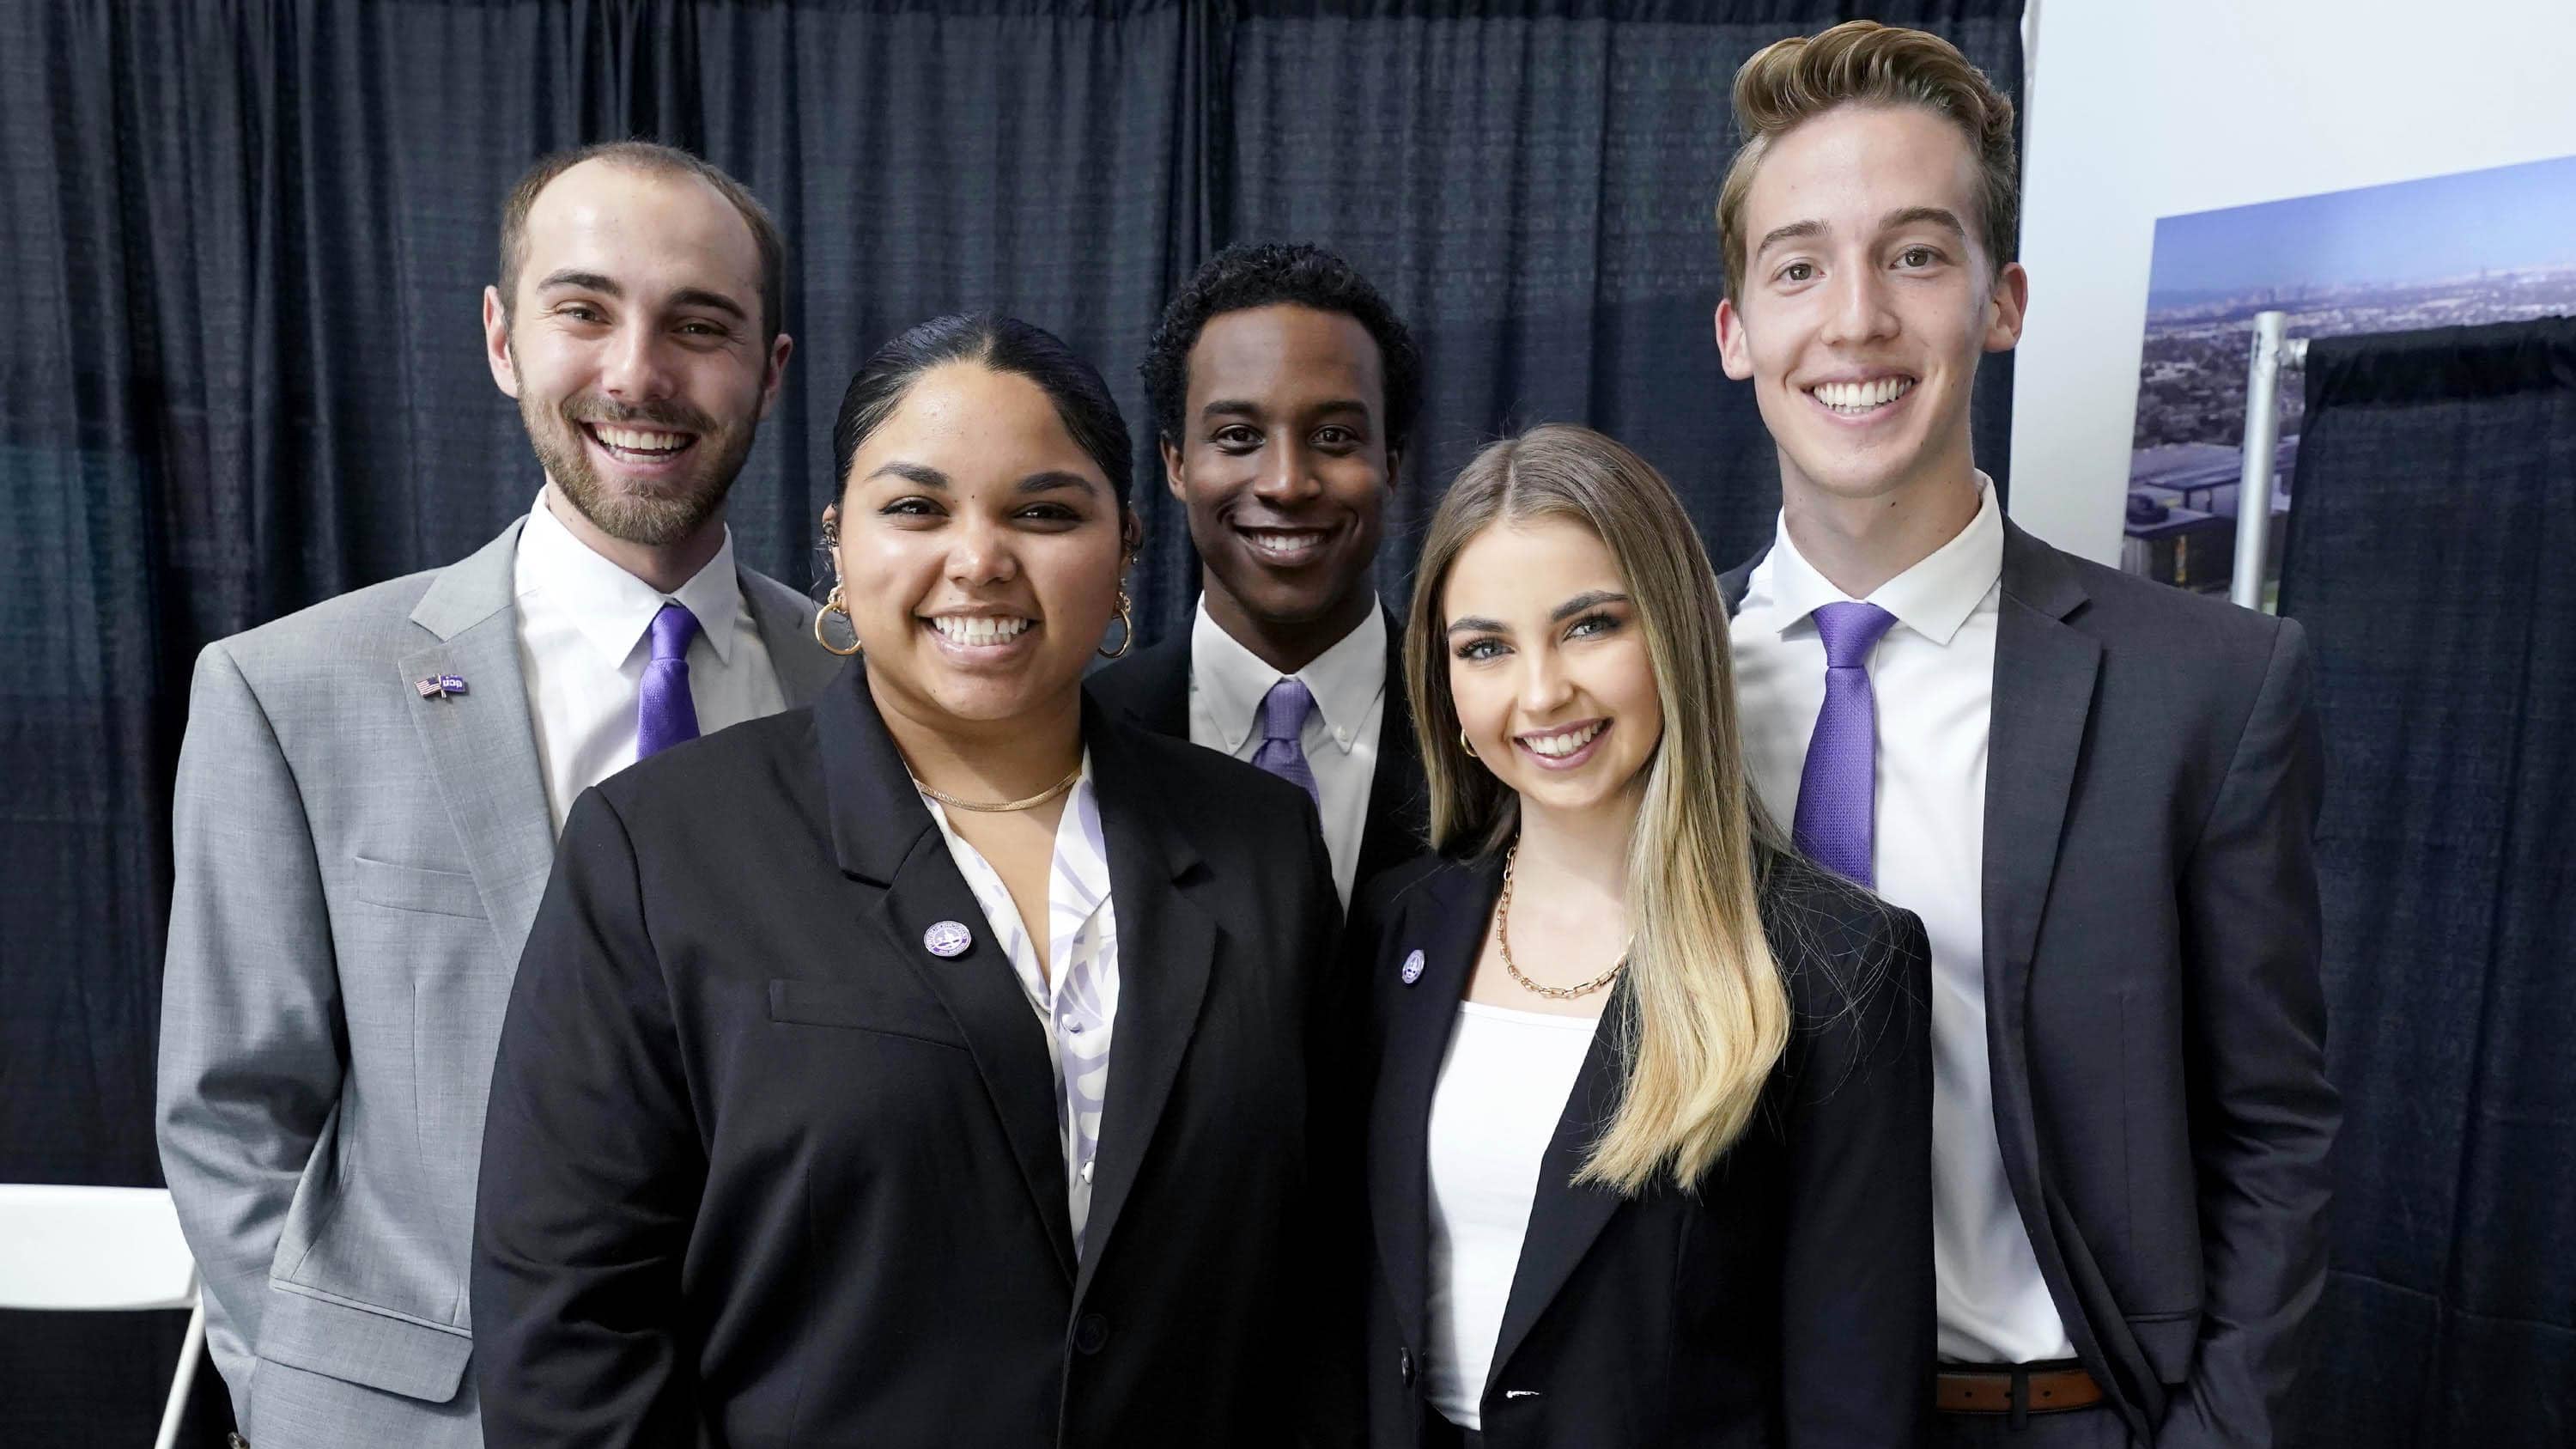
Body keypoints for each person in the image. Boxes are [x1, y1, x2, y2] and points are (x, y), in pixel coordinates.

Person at [471, 314, 1355, 1446]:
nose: (979, 557)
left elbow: (1323, 1274)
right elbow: (566, 1325)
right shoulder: (660, 848)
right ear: (839, 541)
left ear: (1126, 544)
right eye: (918, 507)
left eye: (1044, 511)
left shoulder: (1259, 845)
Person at [1709, 23, 2336, 1447]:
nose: (1856, 318)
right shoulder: (1637, 692)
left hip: (2040, 1411)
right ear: (1738, 327)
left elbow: (2275, 1140)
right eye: (1800, 264)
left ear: (2003, 301)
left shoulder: (2209, 690)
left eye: (1918, 255)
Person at [154, 141, 831, 1446]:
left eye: (701, 324)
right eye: (584, 309)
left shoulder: (857, 692)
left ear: (772, 368)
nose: (639, 372)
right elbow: (231, 1114)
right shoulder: (290, 691)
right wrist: (301, 1402)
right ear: (502, 338)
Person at [1354, 423, 1934, 1447]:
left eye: (1588, 627)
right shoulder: (1402, 928)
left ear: (1674, 631)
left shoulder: (1836, 961)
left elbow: (1857, 1397)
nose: (1541, 693)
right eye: (1485, 647)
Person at [1091, 241, 1428, 905]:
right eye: (1239, 437)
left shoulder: (1487, 731)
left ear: (1391, 465)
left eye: (1333, 436)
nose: (1285, 483)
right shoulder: (1082, 735)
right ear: (1177, 464)